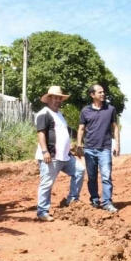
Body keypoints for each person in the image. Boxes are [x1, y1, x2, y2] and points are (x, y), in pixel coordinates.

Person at [35, 86, 85, 221]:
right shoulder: (44, 114)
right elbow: (41, 133)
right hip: (51, 156)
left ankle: (72, 200)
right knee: (47, 183)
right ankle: (42, 212)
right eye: (55, 97)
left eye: (60, 98)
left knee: (79, 170)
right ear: (49, 98)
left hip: (65, 156)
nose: (58, 100)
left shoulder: (60, 115)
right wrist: (45, 151)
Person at [76, 84, 120, 213]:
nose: (103, 94)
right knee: (92, 177)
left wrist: (117, 144)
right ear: (92, 95)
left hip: (105, 148)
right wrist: (79, 145)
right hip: (89, 148)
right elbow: (81, 129)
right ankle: (95, 199)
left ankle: (107, 202)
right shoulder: (85, 111)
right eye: (99, 92)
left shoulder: (110, 109)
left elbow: (115, 127)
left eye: (103, 92)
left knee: (106, 176)